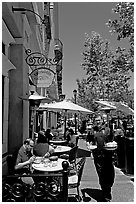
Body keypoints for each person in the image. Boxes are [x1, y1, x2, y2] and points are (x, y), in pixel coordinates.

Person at [89, 115, 115, 202]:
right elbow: (89, 140)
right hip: (97, 156)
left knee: (110, 174)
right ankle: (106, 194)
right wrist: (89, 145)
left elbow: (112, 140)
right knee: (101, 175)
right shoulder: (92, 130)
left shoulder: (107, 129)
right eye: (96, 120)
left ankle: (107, 189)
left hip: (108, 155)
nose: (98, 122)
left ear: (102, 120)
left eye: (99, 120)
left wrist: (113, 144)